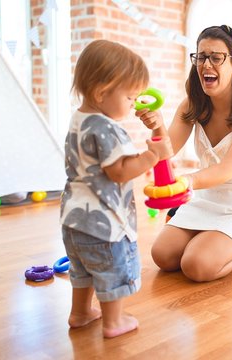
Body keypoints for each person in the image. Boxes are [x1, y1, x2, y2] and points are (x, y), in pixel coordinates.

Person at [136, 25, 232, 282]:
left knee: (196, 265)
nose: (206, 64)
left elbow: (226, 169)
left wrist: (187, 181)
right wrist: (156, 125)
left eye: (216, 57)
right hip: (207, 202)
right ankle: (216, 240)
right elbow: (167, 151)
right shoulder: (192, 105)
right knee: (162, 255)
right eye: (200, 56)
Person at [60, 39, 173, 338]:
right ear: (101, 92)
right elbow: (118, 171)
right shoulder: (106, 128)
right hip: (104, 222)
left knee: (82, 269)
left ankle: (81, 312)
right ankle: (114, 321)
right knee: (113, 268)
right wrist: (151, 156)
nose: (135, 103)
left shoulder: (78, 119)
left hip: (73, 217)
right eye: (130, 97)